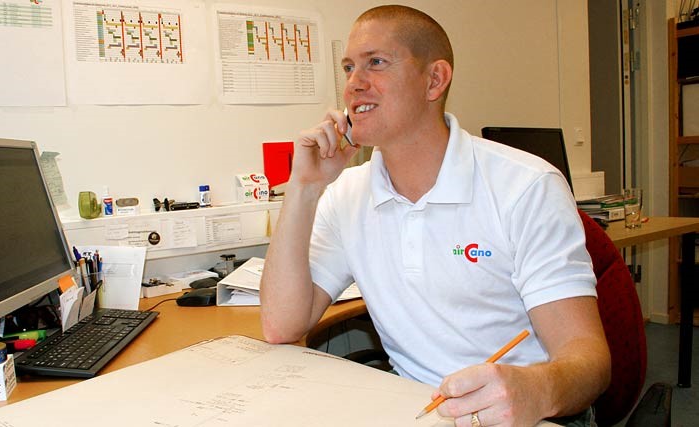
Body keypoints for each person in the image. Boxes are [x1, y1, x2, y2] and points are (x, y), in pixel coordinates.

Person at [260, 5, 610, 427]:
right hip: (415, 408)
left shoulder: (526, 186)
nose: (354, 83)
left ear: (435, 80)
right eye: (349, 68)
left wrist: (536, 390)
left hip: (528, 413)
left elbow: (589, 361)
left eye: (376, 62)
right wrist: (304, 187)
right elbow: (280, 326)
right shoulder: (347, 193)